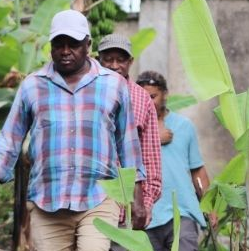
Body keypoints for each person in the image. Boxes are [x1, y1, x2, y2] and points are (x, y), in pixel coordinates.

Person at [0, 10, 146, 251]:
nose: (66, 50)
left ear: (88, 45)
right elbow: (9, 139)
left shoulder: (113, 84)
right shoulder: (32, 86)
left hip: (98, 198)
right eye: (59, 44)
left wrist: (137, 198)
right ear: (51, 46)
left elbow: (128, 144)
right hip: (47, 201)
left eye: (74, 44)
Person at [136, 71, 217, 251]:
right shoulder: (132, 128)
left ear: (165, 94)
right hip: (146, 215)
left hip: (182, 211)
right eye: (143, 97)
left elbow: (197, 172)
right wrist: (155, 138)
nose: (148, 102)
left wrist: (209, 205)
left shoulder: (184, 126)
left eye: (153, 96)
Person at [97, 34, 162, 229]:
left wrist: (146, 202)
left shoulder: (142, 98)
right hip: (91, 204)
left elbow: (150, 156)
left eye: (121, 59)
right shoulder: (86, 92)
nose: (114, 65)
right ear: (98, 59)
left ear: (130, 61)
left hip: (127, 208)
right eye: (108, 59)